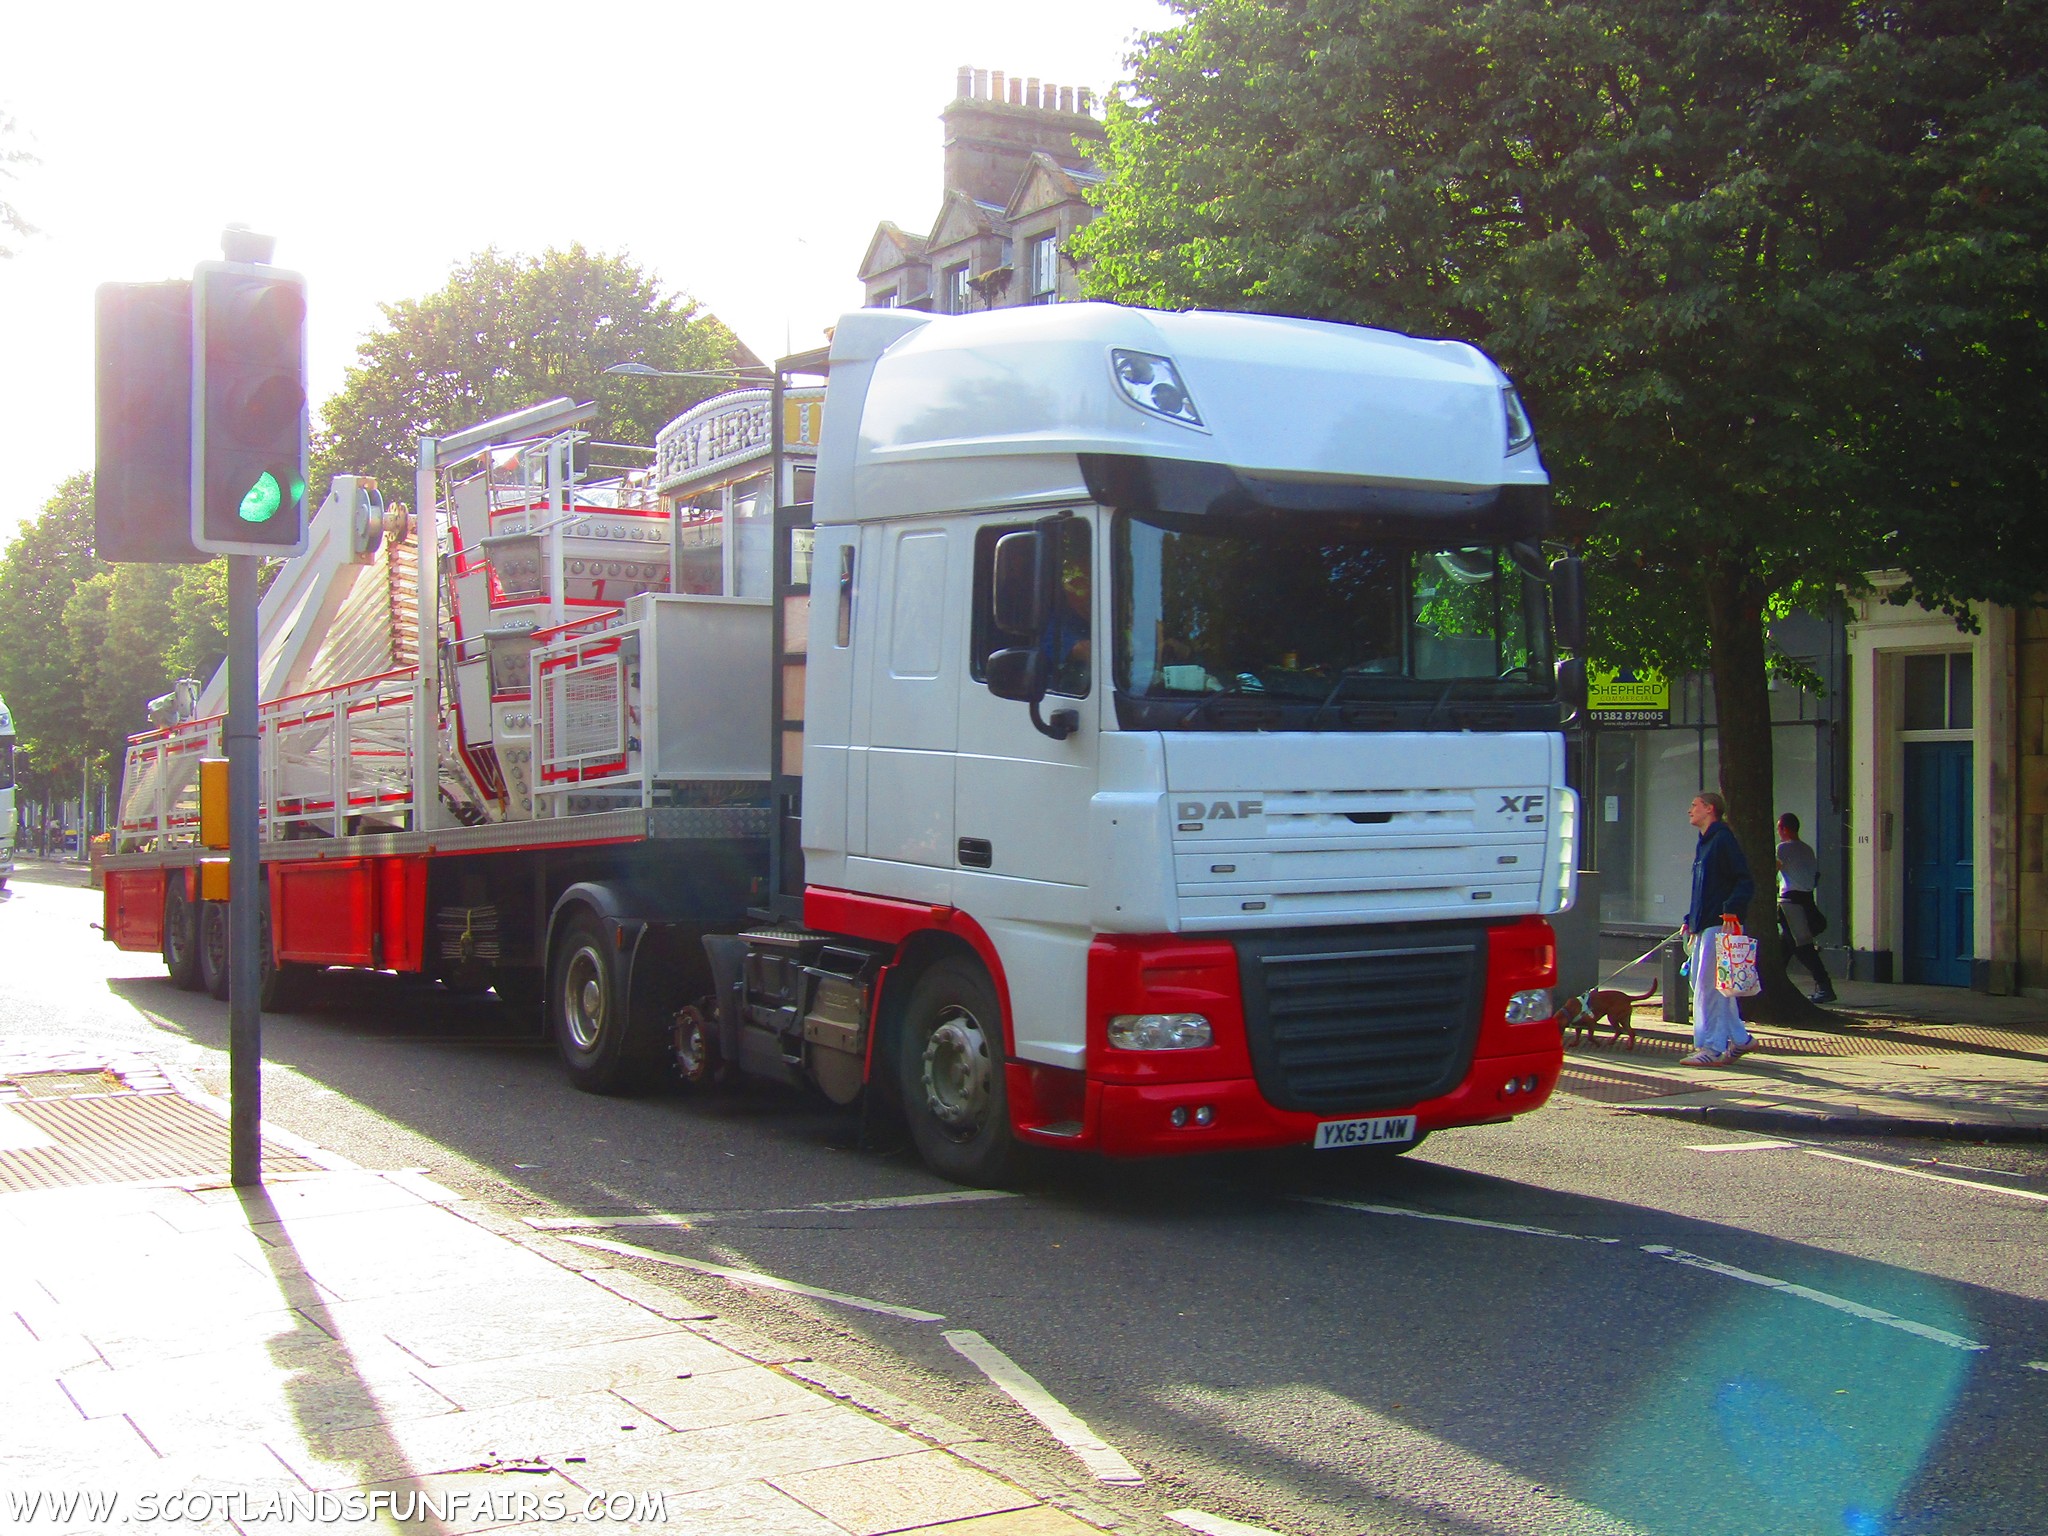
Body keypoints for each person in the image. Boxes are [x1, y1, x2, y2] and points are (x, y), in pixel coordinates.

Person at [1677, 791, 1756, 1066]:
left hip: (1719, 924)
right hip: (1705, 923)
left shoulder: (1722, 840)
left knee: (1706, 988)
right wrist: (1691, 918)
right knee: (1719, 985)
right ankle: (1740, 1037)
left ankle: (1710, 1046)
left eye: (1694, 805)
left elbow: (1744, 879)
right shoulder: (1705, 844)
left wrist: (1731, 908)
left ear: (1710, 809)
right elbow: (1705, 887)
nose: (1690, 810)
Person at [1776, 812, 1837, 1003]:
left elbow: (1773, 868)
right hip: (1806, 899)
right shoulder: (1808, 849)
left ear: (1784, 829)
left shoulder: (1783, 848)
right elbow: (1815, 876)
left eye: (1779, 828)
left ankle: (1825, 986)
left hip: (1790, 903)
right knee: (1785, 946)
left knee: (1802, 947)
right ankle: (1775, 985)